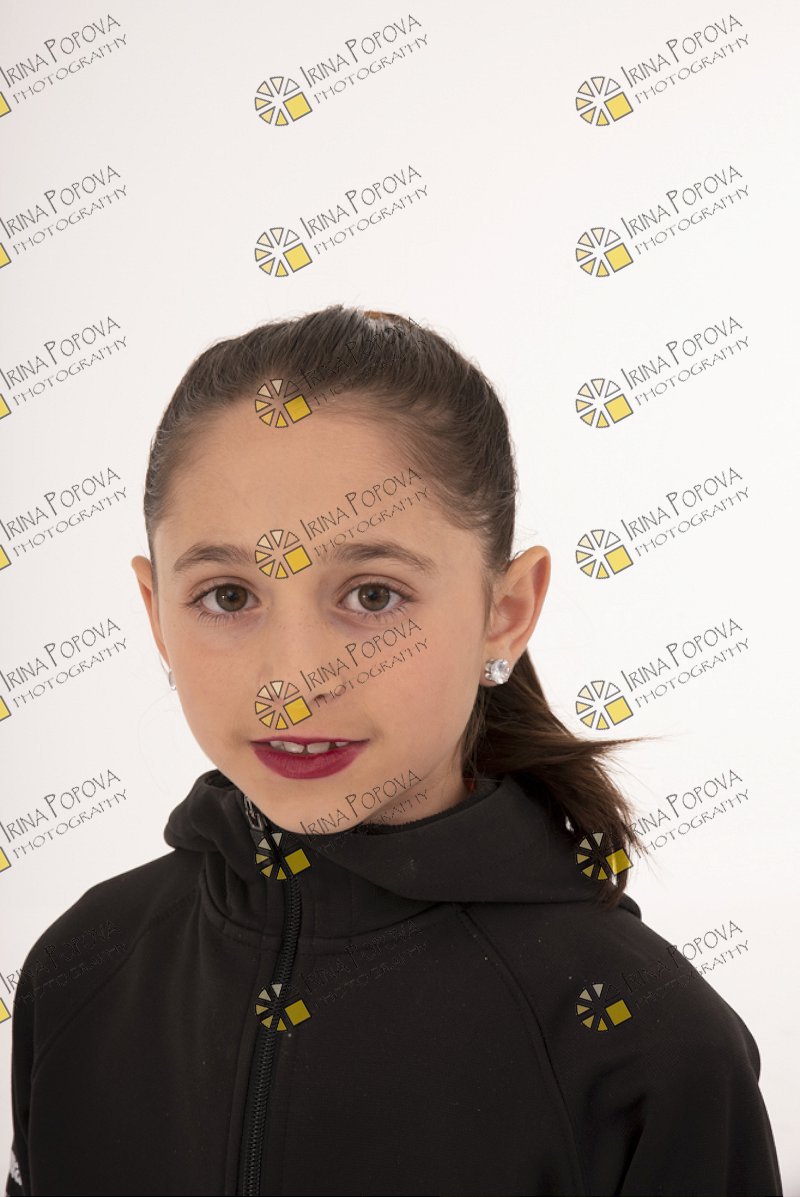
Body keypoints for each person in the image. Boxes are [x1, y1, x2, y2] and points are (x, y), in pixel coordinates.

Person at [5, 307, 782, 1196]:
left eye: (373, 595)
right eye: (228, 596)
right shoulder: (81, 969)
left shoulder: (647, 1044)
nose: (294, 681)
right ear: (155, 613)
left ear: (505, 611)